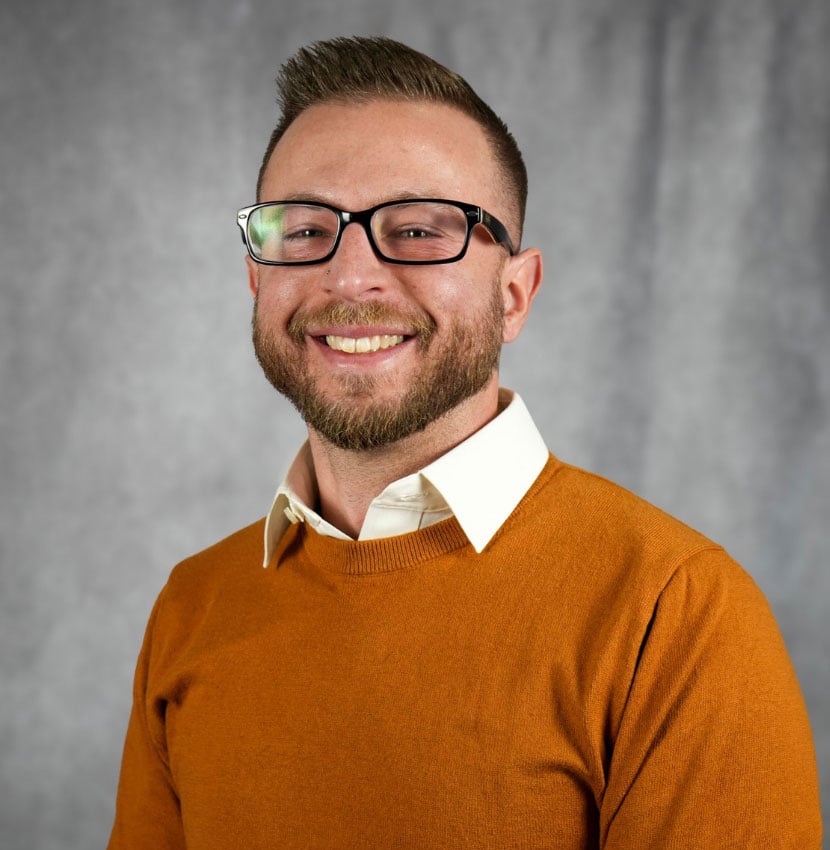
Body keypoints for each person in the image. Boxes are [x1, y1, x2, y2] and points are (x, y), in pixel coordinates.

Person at [108, 36, 822, 849]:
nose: (348, 279)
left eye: (417, 231)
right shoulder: (192, 606)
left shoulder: (676, 611)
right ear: (257, 280)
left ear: (514, 296)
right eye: (304, 231)